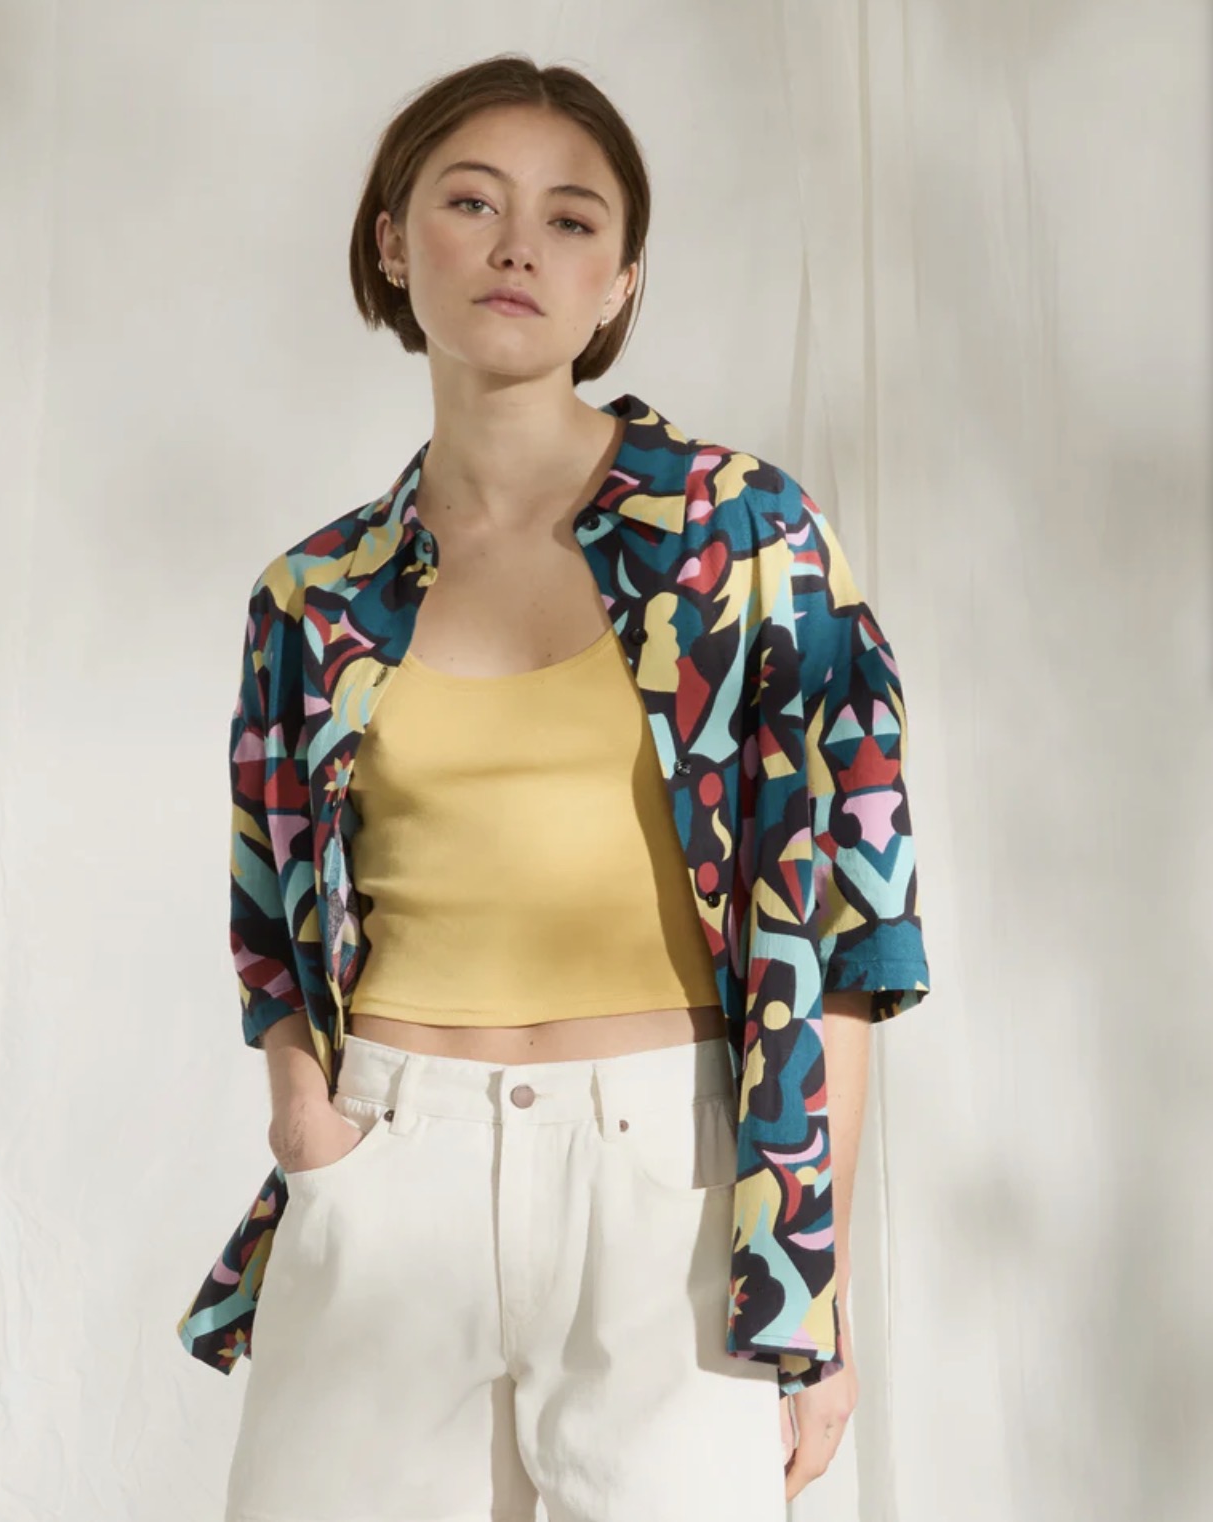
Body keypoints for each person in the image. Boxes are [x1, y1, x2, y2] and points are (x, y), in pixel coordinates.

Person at [177, 52, 932, 1522]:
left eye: (572, 219)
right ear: (395, 244)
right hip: (385, 1175)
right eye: (472, 202)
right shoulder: (316, 595)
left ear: (619, 283)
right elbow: (270, 919)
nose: (519, 245)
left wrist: (815, 1283)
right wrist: (309, 1126)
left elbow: (854, 923)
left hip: (674, 1190)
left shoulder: (745, 539)